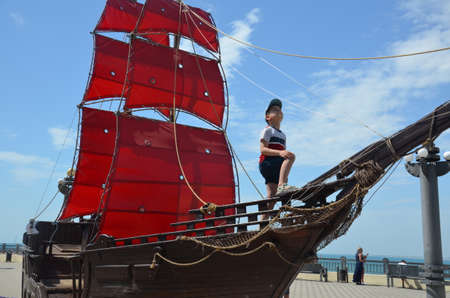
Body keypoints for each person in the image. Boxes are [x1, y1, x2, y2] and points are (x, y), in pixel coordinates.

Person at [259, 99, 296, 212]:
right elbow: (263, 149)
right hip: (268, 162)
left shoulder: (283, 135)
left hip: (277, 164)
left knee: (271, 196)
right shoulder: (268, 130)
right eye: (274, 110)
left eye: (280, 110)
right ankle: (281, 185)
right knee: (291, 156)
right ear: (267, 117)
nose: (279, 112)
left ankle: (263, 222)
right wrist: (280, 153)